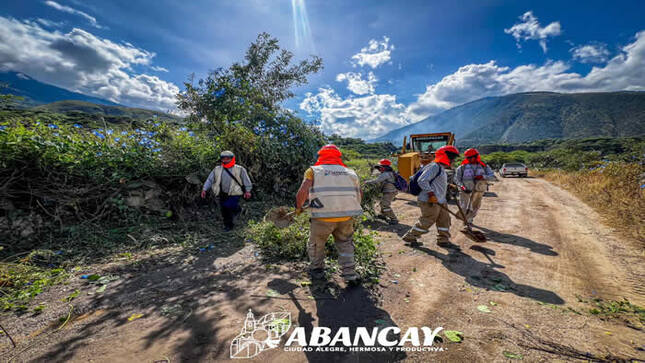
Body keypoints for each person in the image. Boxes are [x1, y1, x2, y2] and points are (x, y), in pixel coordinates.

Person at [295, 144, 363, 284]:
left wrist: (299, 207)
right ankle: (349, 273)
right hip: (346, 217)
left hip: (322, 218)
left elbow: (303, 191)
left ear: (321, 155)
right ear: (338, 156)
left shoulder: (313, 171)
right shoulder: (351, 172)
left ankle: (317, 271)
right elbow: (359, 194)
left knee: (317, 244)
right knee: (345, 243)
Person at [402, 145, 460, 247]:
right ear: (445, 156)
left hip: (440, 200)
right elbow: (422, 181)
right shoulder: (434, 166)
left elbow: (435, 183)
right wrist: (431, 194)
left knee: (444, 220)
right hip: (429, 200)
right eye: (452, 157)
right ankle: (410, 237)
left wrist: (448, 186)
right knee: (427, 220)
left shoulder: (440, 168)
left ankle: (443, 240)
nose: (453, 160)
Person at [201, 150, 252, 231]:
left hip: (235, 192)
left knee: (228, 206)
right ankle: (228, 225)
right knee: (224, 211)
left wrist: (248, 190)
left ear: (232, 159)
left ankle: (237, 210)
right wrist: (204, 189)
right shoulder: (217, 169)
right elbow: (210, 180)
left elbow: (246, 180)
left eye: (228, 158)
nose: (225, 160)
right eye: (223, 158)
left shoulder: (240, 169)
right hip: (222, 193)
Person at [454, 148, 496, 225]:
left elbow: (493, 177)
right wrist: (462, 187)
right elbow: (457, 179)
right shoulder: (462, 167)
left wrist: (483, 177)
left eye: (471, 157)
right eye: (467, 157)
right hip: (465, 190)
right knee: (463, 207)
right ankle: (465, 219)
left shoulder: (484, 167)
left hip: (479, 190)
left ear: (476, 156)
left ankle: (469, 221)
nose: (469, 159)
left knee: (475, 207)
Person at [364, 159, 398, 225]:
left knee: (384, 205)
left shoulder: (386, 174)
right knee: (382, 203)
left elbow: (377, 181)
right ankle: (383, 215)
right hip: (390, 191)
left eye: (380, 167)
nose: (379, 169)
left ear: (384, 167)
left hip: (390, 192)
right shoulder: (390, 172)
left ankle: (394, 219)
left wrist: (366, 182)